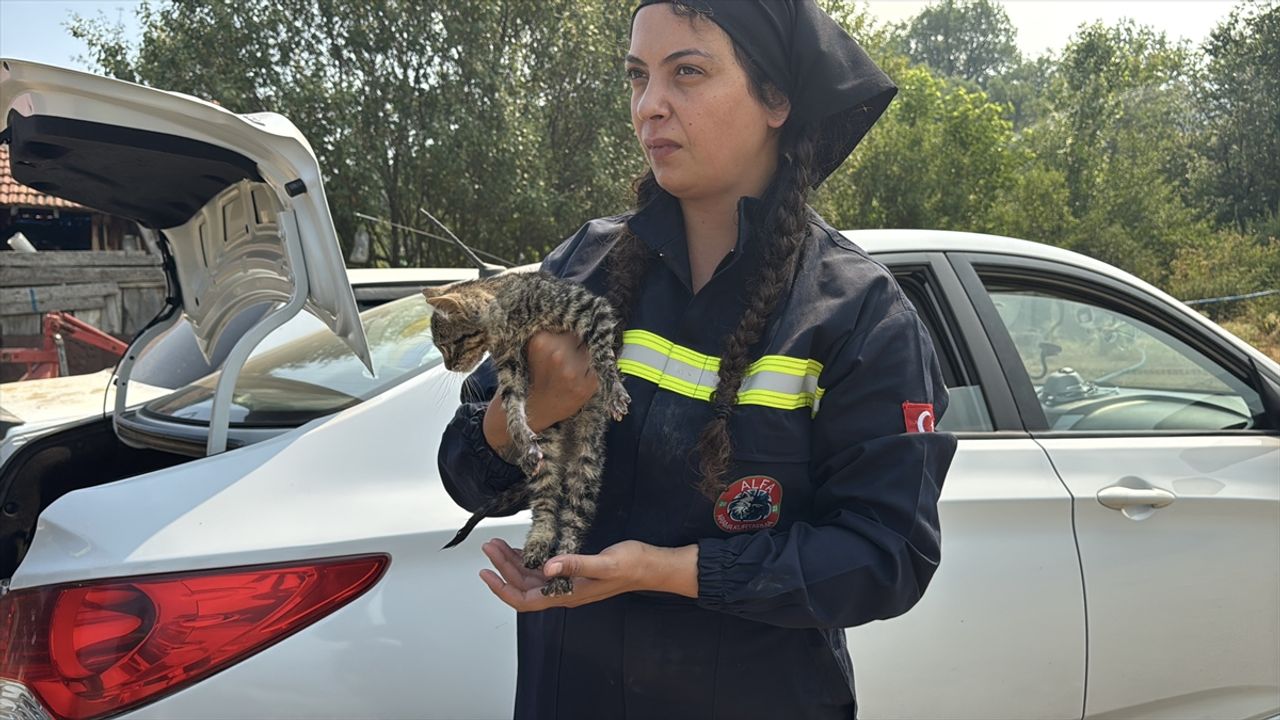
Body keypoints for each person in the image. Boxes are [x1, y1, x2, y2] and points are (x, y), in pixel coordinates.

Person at [437, 1, 958, 717]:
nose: (649, 105)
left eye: (686, 72)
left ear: (776, 98)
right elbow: (464, 475)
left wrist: (668, 571)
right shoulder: (582, 268)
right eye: (637, 76)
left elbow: (886, 556)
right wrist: (521, 413)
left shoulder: (857, 314)